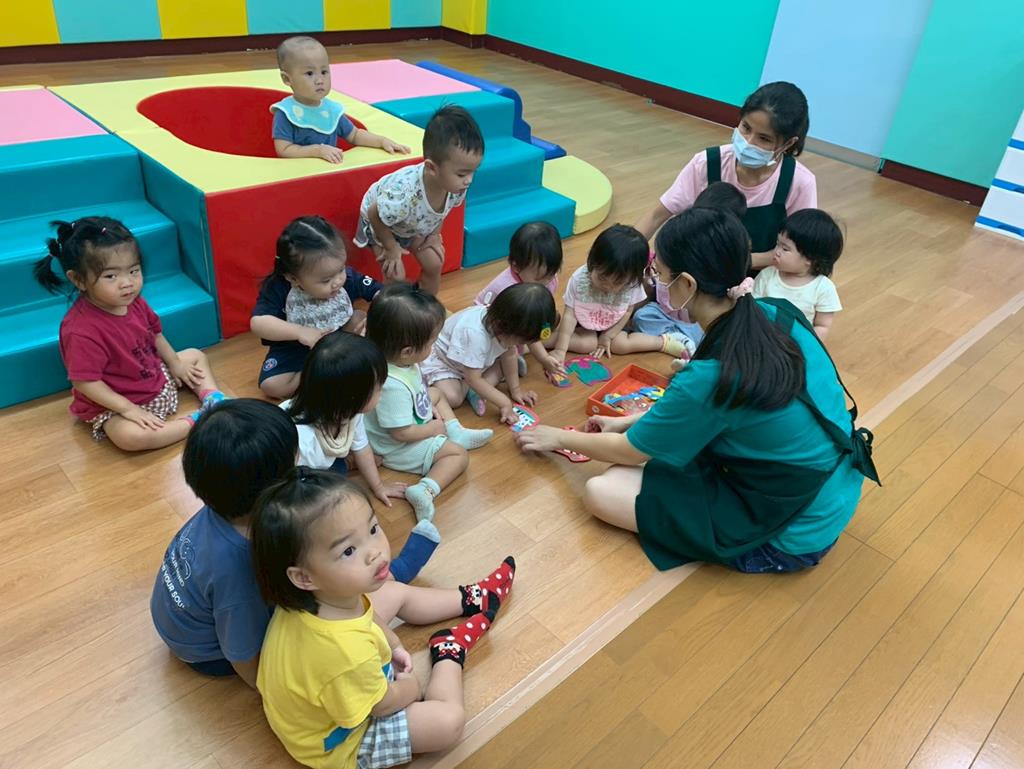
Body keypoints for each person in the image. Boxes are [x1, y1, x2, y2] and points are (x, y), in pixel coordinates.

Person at [517, 207, 878, 573]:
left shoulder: (712, 375)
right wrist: (631, 421)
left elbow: (631, 452)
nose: (654, 282)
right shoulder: (776, 311)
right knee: (629, 472)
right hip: (829, 489)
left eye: (659, 274)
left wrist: (557, 437)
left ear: (687, 285)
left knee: (602, 491)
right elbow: (732, 409)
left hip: (790, 530)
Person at [251, 469, 516, 769]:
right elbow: (381, 705)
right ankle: (449, 651)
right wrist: (411, 687)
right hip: (343, 740)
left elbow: (367, 615)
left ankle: (473, 598)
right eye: (348, 550)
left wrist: (393, 642)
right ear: (303, 577)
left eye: (373, 529)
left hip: (331, 692)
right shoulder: (344, 654)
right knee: (448, 722)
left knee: (391, 591)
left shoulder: (322, 597)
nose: (375, 552)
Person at [33, 217, 226, 451]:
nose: (127, 283)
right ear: (78, 279)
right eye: (111, 276)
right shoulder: (80, 331)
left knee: (194, 355)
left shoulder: (133, 301)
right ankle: (197, 421)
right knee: (131, 438)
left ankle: (212, 398)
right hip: (116, 401)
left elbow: (155, 334)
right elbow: (85, 382)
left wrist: (175, 364)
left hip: (152, 376)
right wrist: (128, 409)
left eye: (134, 271)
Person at [150, 399, 297, 687]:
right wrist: (265, 687)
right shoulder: (240, 568)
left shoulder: (224, 503)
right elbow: (242, 653)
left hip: (178, 620)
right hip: (207, 654)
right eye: (294, 460)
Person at [283, 331, 447, 584]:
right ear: (352, 397)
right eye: (378, 388)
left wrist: (379, 486)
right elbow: (290, 491)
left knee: (345, 469)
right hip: (298, 479)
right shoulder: (301, 439)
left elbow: (361, 446)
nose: (382, 392)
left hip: (323, 465)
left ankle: (344, 467)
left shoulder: (348, 412)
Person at [635, 82, 816, 269]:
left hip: (760, 277)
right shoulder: (707, 163)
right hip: (700, 271)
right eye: (746, 128)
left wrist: (735, 263)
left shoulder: (799, 182)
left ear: (787, 144)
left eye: (764, 138)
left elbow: (801, 252)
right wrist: (625, 252)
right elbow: (657, 215)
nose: (748, 142)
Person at [364, 283, 492, 524]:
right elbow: (401, 433)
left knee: (437, 394)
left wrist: (425, 405)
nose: (433, 347)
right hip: (394, 446)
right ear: (407, 351)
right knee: (457, 455)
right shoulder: (392, 386)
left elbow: (417, 390)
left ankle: (457, 431)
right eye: (431, 343)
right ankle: (425, 490)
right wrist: (433, 428)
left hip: (408, 415)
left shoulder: (397, 360)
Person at [355, 105, 484, 295]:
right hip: (381, 224)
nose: (469, 180)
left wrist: (434, 235)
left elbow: (441, 212)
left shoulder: (456, 186)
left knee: (434, 263)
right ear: (432, 168)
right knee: (395, 275)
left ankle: (427, 305)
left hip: (410, 223)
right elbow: (374, 212)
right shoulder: (405, 194)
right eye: (462, 174)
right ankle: (395, 309)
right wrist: (391, 247)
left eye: (473, 171)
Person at [251, 216, 382, 399]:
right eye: (326, 280)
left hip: (341, 341)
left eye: (341, 269)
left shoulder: (348, 278)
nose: (338, 281)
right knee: (272, 385)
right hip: (296, 350)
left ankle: (340, 370)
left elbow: (381, 293)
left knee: (360, 319)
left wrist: (374, 315)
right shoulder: (279, 287)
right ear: (293, 278)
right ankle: (326, 374)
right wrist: (299, 332)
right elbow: (258, 323)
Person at [549, 224, 691, 365]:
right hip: (584, 325)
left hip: (615, 325)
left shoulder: (631, 284)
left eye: (617, 283)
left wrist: (608, 336)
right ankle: (540, 343)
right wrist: (561, 350)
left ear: (631, 279)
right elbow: (570, 315)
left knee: (620, 345)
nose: (608, 287)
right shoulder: (580, 280)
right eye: (602, 278)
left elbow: (627, 311)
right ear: (592, 263)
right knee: (587, 344)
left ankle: (664, 342)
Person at [633, 182, 748, 352]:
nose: (657, 278)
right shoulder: (751, 310)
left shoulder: (707, 362)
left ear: (687, 283)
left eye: (660, 272)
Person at [422, 283, 555, 423]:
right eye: (520, 341)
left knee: (509, 360)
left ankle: (477, 389)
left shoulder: (503, 323)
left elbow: (510, 353)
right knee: (453, 398)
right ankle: (475, 389)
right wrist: (504, 402)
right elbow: (473, 378)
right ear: (502, 326)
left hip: (472, 366)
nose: (521, 345)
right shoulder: (475, 335)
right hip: (445, 363)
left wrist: (516, 390)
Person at [272, 36, 410, 163]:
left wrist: (381, 141)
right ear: (287, 79)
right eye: (309, 73)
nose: (320, 80)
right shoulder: (286, 113)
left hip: (330, 173)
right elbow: (284, 150)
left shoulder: (331, 110)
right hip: (301, 175)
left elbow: (354, 135)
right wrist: (317, 151)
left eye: (324, 72)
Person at [475, 221, 565, 378]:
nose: (546, 283)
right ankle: (504, 363)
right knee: (499, 356)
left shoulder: (547, 279)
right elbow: (523, 325)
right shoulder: (506, 289)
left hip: (517, 323)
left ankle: (518, 353)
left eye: (551, 275)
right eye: (539, 279)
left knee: (553, 321)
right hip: (491, 330)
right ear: (515, 266)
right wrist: (543, 358)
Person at [753, 209, 843, 339]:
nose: (776, 251)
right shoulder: (767, 276)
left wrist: (806, 344)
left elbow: (822, 326)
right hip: (764, 337)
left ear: (810, 259)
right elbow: (753, 308)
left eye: (785, 249)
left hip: (798, 344)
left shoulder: (823, 288)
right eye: (777, 244)